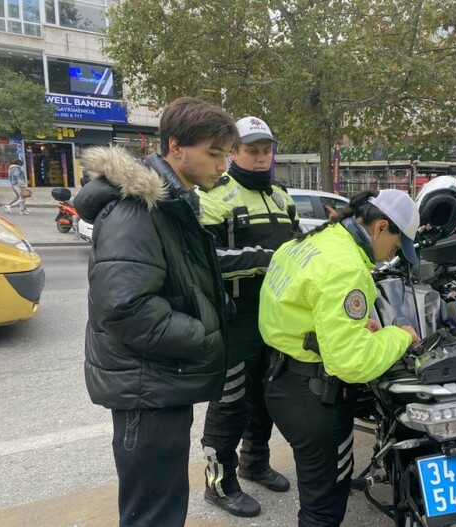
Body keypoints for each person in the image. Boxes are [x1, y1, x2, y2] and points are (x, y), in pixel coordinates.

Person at [73, 97, 237, 527]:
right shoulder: (138, 208)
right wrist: (202, 336)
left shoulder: (172, 202)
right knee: (153, 514)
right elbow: (124, 306)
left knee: (161, 506)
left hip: (160, 379)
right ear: (176, 147)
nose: (223, 165)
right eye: (215, 153)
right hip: (147, 386)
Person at [259, 189, 421, 527]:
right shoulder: (346, 268)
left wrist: (357, 326)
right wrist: (398, 337)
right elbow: (351, 362)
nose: (391, 256)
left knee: (321, 486)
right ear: (379, 228)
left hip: (282, 378)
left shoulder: (311, 241)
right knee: (324, 510)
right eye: (395, 244)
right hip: (316, 397)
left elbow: (296, 308)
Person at [197, 116, 297, 517]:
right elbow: (207, 261)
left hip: (277, 319)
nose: (260, 158)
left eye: (266, 150)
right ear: (233, 151)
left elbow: (298, 252)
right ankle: (219, 485)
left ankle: (254, 462)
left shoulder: (282, 196)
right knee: (230, 403)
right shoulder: (214, 196)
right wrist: (269, 260)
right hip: (235, 319)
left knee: (265, 398)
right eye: (251, 150)